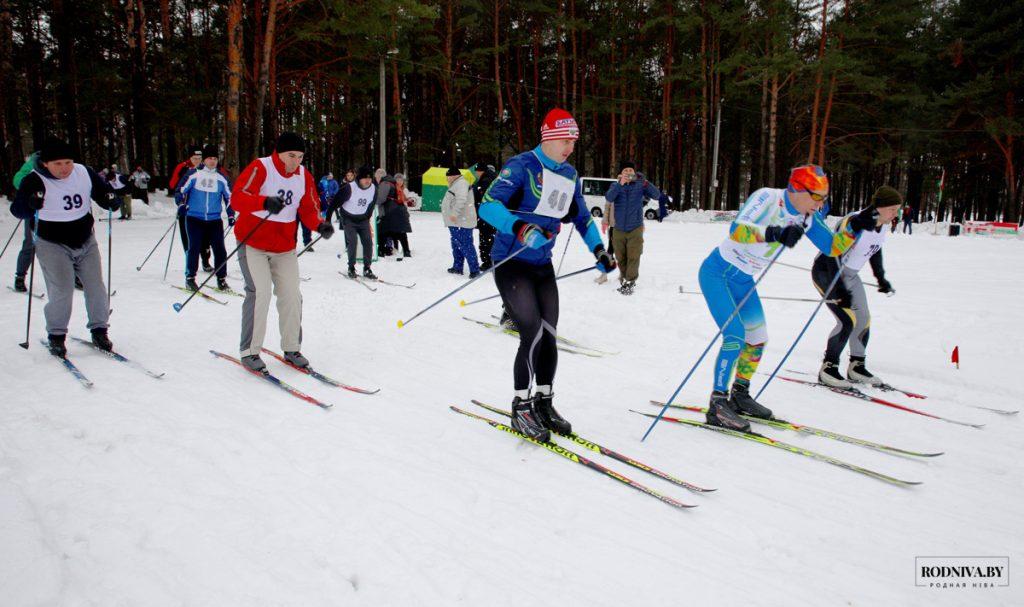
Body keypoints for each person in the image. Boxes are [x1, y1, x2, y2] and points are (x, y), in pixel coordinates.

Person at [697, 164, 874, 432]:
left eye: (824, 197)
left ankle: (740, 394)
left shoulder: (808, 217)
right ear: (797, 190)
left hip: (743, 280)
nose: (821, 203)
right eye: (816, 196)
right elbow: (737, 230)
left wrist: (855, 227)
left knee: (757, 339)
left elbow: (833, 246)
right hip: (717, 273)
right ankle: (718, 404)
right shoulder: (768, 197)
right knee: (734, 335)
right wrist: (776, 233)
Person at [479, 108, 615, 442]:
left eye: (574, 141)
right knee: (531, 333)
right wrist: (520, 227)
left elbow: (582, 218)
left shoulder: (568, 174)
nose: (570, 146)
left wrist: (599, 251)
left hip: (541, 265)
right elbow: (487, 204)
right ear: (549, 138)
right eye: (565, 139)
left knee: (549, 334)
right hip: (511, 262)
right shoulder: (521, 166)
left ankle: (543, 401)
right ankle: (521, 407)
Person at [230, 132, 333, 373]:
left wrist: (319, 224)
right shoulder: (261, 167)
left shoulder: (303, 176)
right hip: (253, 242)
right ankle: (250, 351)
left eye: (300, 157)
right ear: (279, 152)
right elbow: (238, 198)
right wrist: (263, 202)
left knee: (291, 295)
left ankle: (291, 347)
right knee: (260, 292)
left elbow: (309, 208)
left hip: (284, 247)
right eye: (291, 156)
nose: (295, 162)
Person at [10, 138, 121, 356]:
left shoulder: (83, 172)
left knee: (95, 285)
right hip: (52, 242)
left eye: (68, 162)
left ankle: (100, 330)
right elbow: (18, 211)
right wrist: (30, 203)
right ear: (45, 163)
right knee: (62, 289)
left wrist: (111, 200)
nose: (64, 169)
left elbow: (104, 193)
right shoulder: (34, 179)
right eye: (58, 163)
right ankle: (56, 335)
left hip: (85, 239)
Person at [814, 186, 901, 388]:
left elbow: (875, 250)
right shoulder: (855, 222)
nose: (895, 214)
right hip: (828, 273)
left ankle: (857, 366)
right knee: (847, 320)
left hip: (850, 275)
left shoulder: (883, 224)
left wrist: (881, 279)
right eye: (892, 209)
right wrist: (839, 289)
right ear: (879, 207)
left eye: (897, 209)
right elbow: (831, 253)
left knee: (863, 318)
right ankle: (828, 368)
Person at [176, 144, 235, 291]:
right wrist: (181, 204)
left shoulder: (221, 178)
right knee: (194, 247)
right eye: (209, 158)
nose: (213, 161)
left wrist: (231, 214)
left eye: (215, 158)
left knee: (220, 249)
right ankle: (190, 278)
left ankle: (221, 279)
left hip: (214, 220)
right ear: (204, 159)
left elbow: (230, 198)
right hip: (194, 218)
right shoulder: (193, 174)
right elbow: (180, 191)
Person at [603, 161, 661, 295]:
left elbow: (657, 195)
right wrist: (619, 185)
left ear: (634, 173)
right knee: (620, 256)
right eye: (625, 170)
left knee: (634, 255)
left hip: (635, 227)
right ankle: (624, 279)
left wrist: (646, 182)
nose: (628, 172)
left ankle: (630, 281)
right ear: (621, 173)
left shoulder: (641, 185)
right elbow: (609, 197)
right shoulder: (615, 185)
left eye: (630, 170)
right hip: (618, 228)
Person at [327, 165, 378, 279]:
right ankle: (351, 267)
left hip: (362, 219)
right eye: (365, 178)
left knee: (368, 242)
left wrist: (367, 217)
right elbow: (333, 204)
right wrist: (327, 222)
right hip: (348, 219)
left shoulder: (373, 188)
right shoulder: (349, 188)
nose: (367, 181)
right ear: (359, 178)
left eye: (369, 178)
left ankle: (367, 268)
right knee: (353, 242)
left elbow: (372, 205)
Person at [170, 145, 212, 271]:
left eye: (200, 158)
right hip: (186, 208)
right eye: (195, 158)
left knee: (205, 236)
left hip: (202, 209)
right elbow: (173, 184)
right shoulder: (183, 167)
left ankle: (206, 261)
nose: (197, 161)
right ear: (190, 158)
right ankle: (190, 261)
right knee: (188, 237)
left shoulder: (207, 169)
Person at [442, 166, 479, 277]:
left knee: (466, 245)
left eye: (448, 177)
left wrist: (454, 213)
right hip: (456, 222)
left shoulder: (461, 184)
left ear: (453, 176)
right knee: (456, 245)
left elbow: (461, 199)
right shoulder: (457, 184)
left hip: (462, 222)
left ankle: (474, 270)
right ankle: (457, 267)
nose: (447, 179)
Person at [11, 152, 39, 293]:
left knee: (64, 244)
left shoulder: (60, 163)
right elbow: (18, 179)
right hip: (34, 210)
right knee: (30, 243)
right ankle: (20, 276)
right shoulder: (34, 162)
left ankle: (74, 276)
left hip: (55, 213)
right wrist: (30, 189)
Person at [378, 171, 412, 258]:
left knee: (383, 232)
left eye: (378, 176)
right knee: (400, 232)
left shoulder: (385, 183)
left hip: (390, 211)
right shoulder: (393, 185)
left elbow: (380, 199)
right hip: (399, 211)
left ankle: (381, 251)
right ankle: (406, 251)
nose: (377, 178)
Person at [472, 162, 498, 270]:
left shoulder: (485, 181)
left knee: (486, 238)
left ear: (480, 171)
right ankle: (492, 260)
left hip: (486, 215)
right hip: (493, 215)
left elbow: (483, 198)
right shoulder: (493, 178)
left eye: (476, 172)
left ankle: (488, 262)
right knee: (490, 238)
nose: (476, 174)